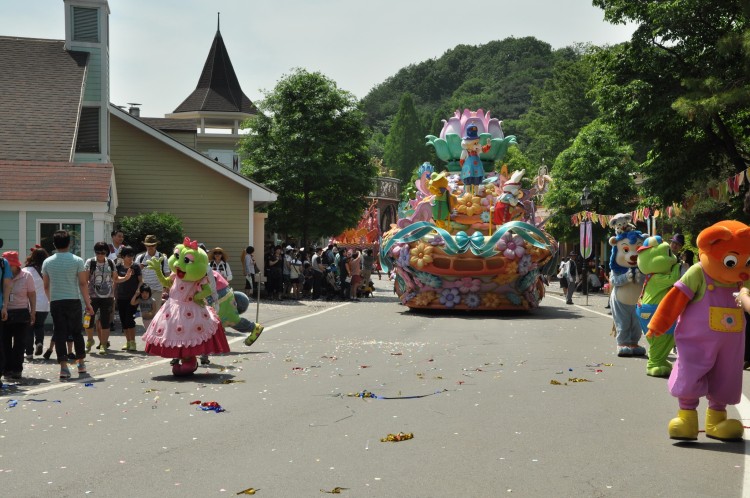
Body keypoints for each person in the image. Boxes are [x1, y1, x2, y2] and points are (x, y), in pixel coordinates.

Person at [41, 230, 94, 380]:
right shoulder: (77, 260)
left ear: (54, 244)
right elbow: (83, 283)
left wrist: (51, 299)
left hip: (56, 301)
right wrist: (88, 303)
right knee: (77, 332)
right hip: (73, 300)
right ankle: (81, 363)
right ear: (69, 243)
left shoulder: (47, 262)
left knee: (60, 333)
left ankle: (63, 367)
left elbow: (46, 285)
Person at [2, 251, 35, 380]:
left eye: (10, 265)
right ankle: (7, 368)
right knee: (5, 343)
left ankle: (17, 369)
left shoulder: (26, 276)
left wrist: (33, 311)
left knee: (20, 343)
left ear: (16, 265)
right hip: (5, 312)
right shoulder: (2, 276)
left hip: (21, 312)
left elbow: (32, 294)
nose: (7, 268)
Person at [83, 241, 117, 354]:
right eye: (98, 252)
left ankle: (103, 344)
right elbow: (85, 279)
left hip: (107, 296)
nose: (100, 255)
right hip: (92, 296)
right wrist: (85, 295)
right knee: (88, 320)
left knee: (105, 321)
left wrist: (126, 277)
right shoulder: (90, 262)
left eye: (102, 252)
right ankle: (90, 339)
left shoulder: (111, 262)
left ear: (106, 252)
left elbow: (116, 279)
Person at [135, 235, 169, 322]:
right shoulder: (140, 257)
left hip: (158, 288)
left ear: (156, 245)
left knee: (155, 312)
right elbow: (135, 273)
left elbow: (167, 273)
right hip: (145, 289)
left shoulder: (162, 257)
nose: (150, 247)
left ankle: (154, 333)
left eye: (152, 245)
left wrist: (167, 287)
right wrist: (139, 268)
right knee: (145, 313)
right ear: (145, 245)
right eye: (148, 245)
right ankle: (148, 332)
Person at [23, 246, 49, 361]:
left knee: (29, 328)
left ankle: (29, 353)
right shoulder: (48, 271)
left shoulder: (26, 271)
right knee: (39, 326)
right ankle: (39, 342)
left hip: (29, 304)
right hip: (44, 304)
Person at [114, 246, 142, 351]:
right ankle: (128, 341)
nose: (131, 258)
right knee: (123, 320)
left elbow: (140, 280)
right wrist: (114, 294)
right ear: (123, 256)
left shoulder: (135, 267)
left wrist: (138, 291)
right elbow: (115, 281)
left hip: (133, 297)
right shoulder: (118, 267)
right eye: (128, 256)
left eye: (132, 255)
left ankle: (133, 342)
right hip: (121, 297)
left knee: (129, 319)